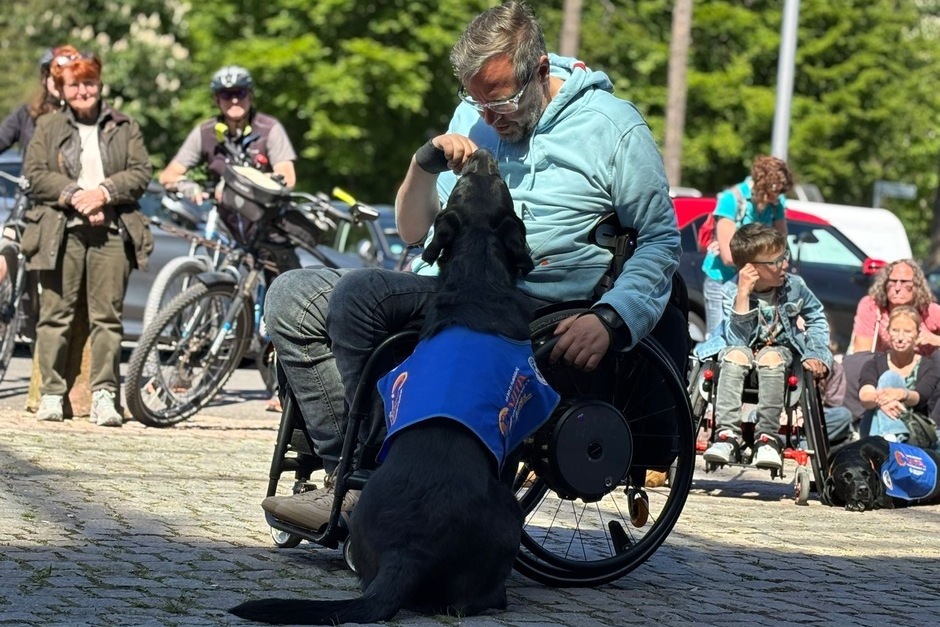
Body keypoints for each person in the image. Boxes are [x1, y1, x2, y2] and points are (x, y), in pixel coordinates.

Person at [260, 0, 687, 531]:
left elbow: (660, 241)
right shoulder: (472, 118)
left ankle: (367, 482)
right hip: (449, 284)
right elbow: (417, 231)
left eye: (500, 100)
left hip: (533, 302)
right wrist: (423, 163)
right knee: (291, 296)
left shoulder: (612, 128)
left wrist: (611, 317)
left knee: (360, 296)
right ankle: (352, 472)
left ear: (539, 69)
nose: (487, 117)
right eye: (476, 101)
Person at [22, 46, 153, 425]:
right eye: (74, 85)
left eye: (89, 83)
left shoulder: (124, 126)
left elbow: (141, 172)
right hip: (60, 231)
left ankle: (104, 395)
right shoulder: (48, 127)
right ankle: (51, 394)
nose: (83, 91)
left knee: (108, 318)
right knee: (54, 315)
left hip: (111, 229)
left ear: (100, 84)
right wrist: (77, 195)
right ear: (62, 89)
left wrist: (105, 193)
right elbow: (36, 173)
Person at [159, 66, 300, 411]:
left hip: (266, 229)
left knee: (286, 302)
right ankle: (188, 363)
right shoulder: (206, 133)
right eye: (226, 95)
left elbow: (288, 175)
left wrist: (255, 182)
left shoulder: (270, 129)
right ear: (217, 100)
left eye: (240, 93)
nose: (234, 100)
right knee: (211, 285)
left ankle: (285, 389)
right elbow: (169, 174)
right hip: (227, 229)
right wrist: (187, 185)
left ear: (250, 97)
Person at [699, 223, 830, 470]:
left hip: (779, 351)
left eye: (784, 256)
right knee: (735, 354)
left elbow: (817, 318)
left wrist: (816, 353)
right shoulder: (731, 291)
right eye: (776, 261)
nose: (784, 265)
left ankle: (767, 438)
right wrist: (742, 296)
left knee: (771, 357)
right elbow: (737, 340)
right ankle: (727, 436)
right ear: (751, 268)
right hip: (741, 352)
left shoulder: (795, 286)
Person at [701, 156, 792, 338]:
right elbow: (728, 257)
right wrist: (765, 262)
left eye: (779, 193)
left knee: (751, 339)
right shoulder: (732, 199)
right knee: (720, 338)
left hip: (754, 282)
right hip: (722, 279)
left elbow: (783, 246)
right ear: (759, 184)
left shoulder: (775, 203)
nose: (775, 199)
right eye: (771, 193)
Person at [0, 46, 62, 283]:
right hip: (26, 201)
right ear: (44, 78)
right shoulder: (27, 115)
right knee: (3, 261)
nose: (56, 83)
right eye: (51, 76)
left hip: (58, 208)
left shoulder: (79, 118)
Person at [858, 306, 940, 448]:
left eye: (907, 331)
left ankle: (888, 445)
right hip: (873, 425)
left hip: (913, 429)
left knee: (891, 378)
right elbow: (865, 396)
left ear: (917, 334)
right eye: (895, 330)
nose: (900, 338)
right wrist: (885, 401)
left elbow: (920, 397)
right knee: (889, 377)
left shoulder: (928, 366)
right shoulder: (874, 363)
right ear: (888, 331)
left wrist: (901, 394)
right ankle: (893, 441)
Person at [849, 259, 940, 356]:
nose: (897, 288)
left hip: (924, 368)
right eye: (892, 281)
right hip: (881, 368)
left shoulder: (929, 310)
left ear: (917, 286)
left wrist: (935, 339)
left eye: (904, 282)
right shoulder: (872, 306)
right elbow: (861, 355)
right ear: (884, 284)